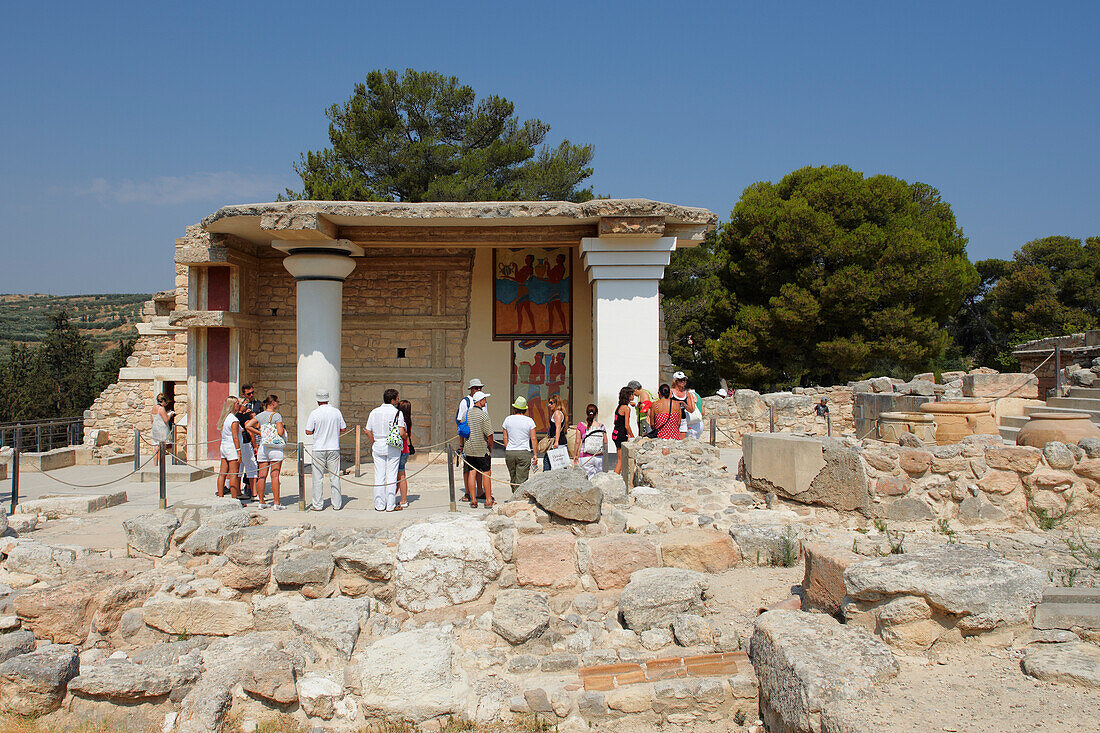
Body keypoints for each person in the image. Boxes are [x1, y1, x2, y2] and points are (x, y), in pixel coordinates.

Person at [364, 389, 406, 512]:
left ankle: (379, 504)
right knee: (392, 475)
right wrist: (405, 436)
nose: (398, 401)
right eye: (397, 399)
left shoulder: (374, 412)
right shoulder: (397, 413)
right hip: (392, 446)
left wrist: (373, 441)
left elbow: (367, 430)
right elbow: (401, 431)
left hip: (378, 443)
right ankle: (390, 504)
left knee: (379, 475)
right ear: (393, 400)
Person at [305, 389, 346, 511]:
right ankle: (337, 504)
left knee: (317, 478)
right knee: (335, 476)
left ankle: (317, 504)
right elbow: (343, 428)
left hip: (319, 448)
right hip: (333, 446)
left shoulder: (315, 413)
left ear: (318, 400)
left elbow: (308, 431)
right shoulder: (336, 412)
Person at [462, 391, 494, 507]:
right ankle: (488, 500)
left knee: (472, 473)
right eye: (484, 399)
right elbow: (489, 434)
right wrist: (491, 446)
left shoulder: (466, 414)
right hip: (481, 449)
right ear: (480, 401)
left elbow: (462, 431)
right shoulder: (483, 415)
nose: (485, 401)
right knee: (486, 473)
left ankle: (473, 499)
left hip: (469, 448)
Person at [255, 395, 287, 510]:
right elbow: (279, 432)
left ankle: (261, 501)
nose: (278, 404)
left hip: (263, 447)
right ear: (273, 403)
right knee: (275, 475)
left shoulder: (260, 415)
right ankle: (276, 503)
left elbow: (248, 425)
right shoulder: (276, 415)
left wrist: (261, 434)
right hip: (275, 448)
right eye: (277, 402)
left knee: (262, 476)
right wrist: (282, 427)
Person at [502, 396, 538, 488]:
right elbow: (533, 438)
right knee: (522, 478)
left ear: (514, 408)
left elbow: (505, 437)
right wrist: (535, 454)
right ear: (525, 409)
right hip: (523, 451)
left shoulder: (508, 419)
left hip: (510, 451)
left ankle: (514, 494)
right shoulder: (529, 421)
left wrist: (507, 448)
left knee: (513, 477)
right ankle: (519, 498)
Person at [237, 384, 263, 499]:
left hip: (255, 434)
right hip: (245, 436)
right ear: (244, 394)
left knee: (254, 462)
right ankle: (247, 485)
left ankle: (250, 486)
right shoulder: (240, 406)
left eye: (253, 392)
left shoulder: (257, 404)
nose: (251, 395)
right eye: (249, 393)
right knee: (246, 463)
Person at [456, 377, 484, 480]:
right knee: (468, 469)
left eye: (480, 388)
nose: (479, 390)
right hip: (469, 440)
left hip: (481, 440)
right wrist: (461, 444)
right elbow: (461, 424)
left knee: (481, 468)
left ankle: (480, 491)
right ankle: (468, 492)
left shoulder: (483, 401)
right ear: (471, 389)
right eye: (476, 388)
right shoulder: (465, 402)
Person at [216, 396, 242, 499]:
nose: (239, 405)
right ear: (232, 405)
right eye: (237, 404)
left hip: (224, 446)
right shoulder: (234, 420)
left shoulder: (225, 418)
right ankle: (234, 498)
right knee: (233, 474)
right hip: (232, 448)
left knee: (222, 473)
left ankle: (221, 496)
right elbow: (235, 437)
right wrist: (239, 452)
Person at [574, 404, 606, 477]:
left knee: (587, 480)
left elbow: (577, 442)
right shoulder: (601, 426)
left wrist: (575, 455)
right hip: (599, 456)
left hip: (585, 456)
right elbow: (605, 441)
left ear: (586, 413)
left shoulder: (580, 425)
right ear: (596, 414)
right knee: (598, 479)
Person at [395, 399, 414, 510]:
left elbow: (403, 435)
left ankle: (403, 499)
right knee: (399, 475)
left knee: (400, 476)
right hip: (405, 450)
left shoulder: (402, 421)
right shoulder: (409, 421)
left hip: (400, 450)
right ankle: (395, 497)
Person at [542, 395, 568, 471]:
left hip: (558, 443)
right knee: (557, 464)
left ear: (556, 403)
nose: (548, 405)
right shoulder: (557, 413)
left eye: (551, 403)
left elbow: (558, 427)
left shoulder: (557, 413)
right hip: (557, 442)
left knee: (557, 465)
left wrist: (556, 442)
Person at [612, 386, 635, 474]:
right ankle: (615, 478)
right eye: (632, 394)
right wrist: (633, 436)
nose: (633, 396)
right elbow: (627, 425)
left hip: (615, 433)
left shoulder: (619, 407)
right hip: (621, 434)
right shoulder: (626, 408)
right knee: (620, 460)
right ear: (628, 396)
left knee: (619, 458)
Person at [150, 393, 175, 466]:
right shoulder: (161, 409)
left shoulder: (154, 408)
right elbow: (166, 420)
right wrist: (170, 414)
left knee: (156, 446)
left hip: (155, 428)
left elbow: (152, 419)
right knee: (162, 446)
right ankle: (161, 464)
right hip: (162, 429)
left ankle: (155, 464)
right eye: (166, 402)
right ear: (163, 401)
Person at [671, 371, 697, 437]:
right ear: (675, 381)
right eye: (680, 380)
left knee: (682, 442)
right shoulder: (670, 392)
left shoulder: (687, 393)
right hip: (672, 419)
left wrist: (684, 404)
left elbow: (691, 410)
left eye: (684, 380)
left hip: (682, 419)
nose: (683, 382)